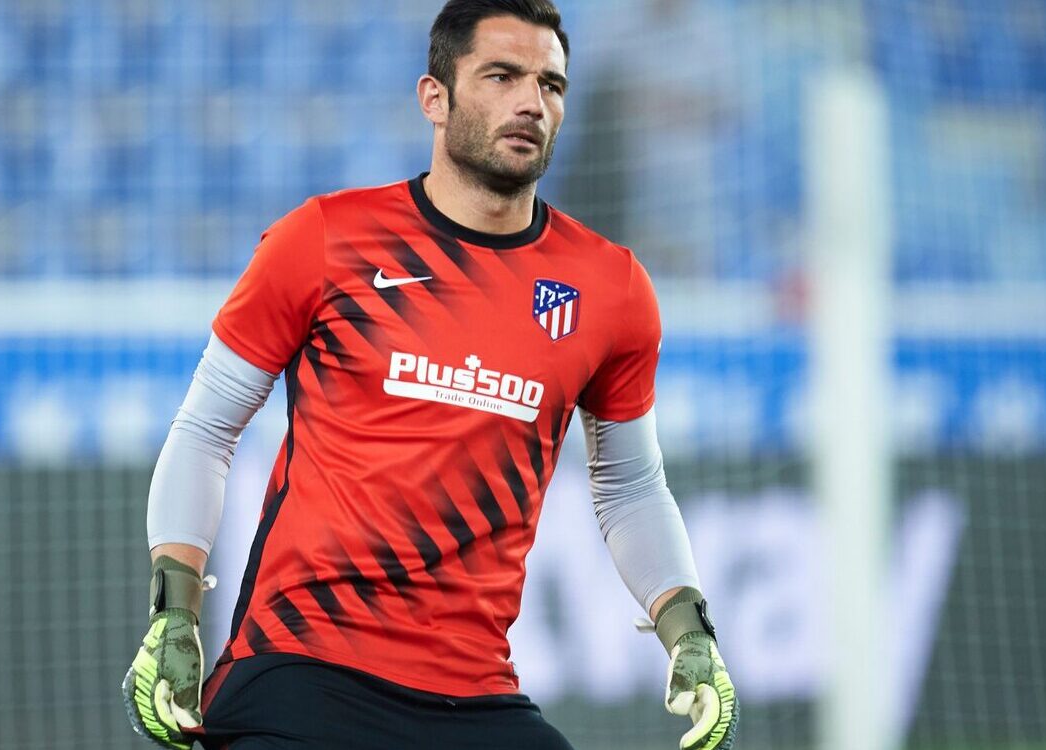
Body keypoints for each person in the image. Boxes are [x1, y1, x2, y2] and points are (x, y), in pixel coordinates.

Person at [122, 1, 738, 748]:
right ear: (434, 98)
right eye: (502, 76)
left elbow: (631, 486)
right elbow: (206, 429)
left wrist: (689, 631)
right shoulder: (323, 239)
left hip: (474, 695)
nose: (530, 102)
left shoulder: (611, 288)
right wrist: (175, 609)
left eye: (549, 85)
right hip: (300, 673)